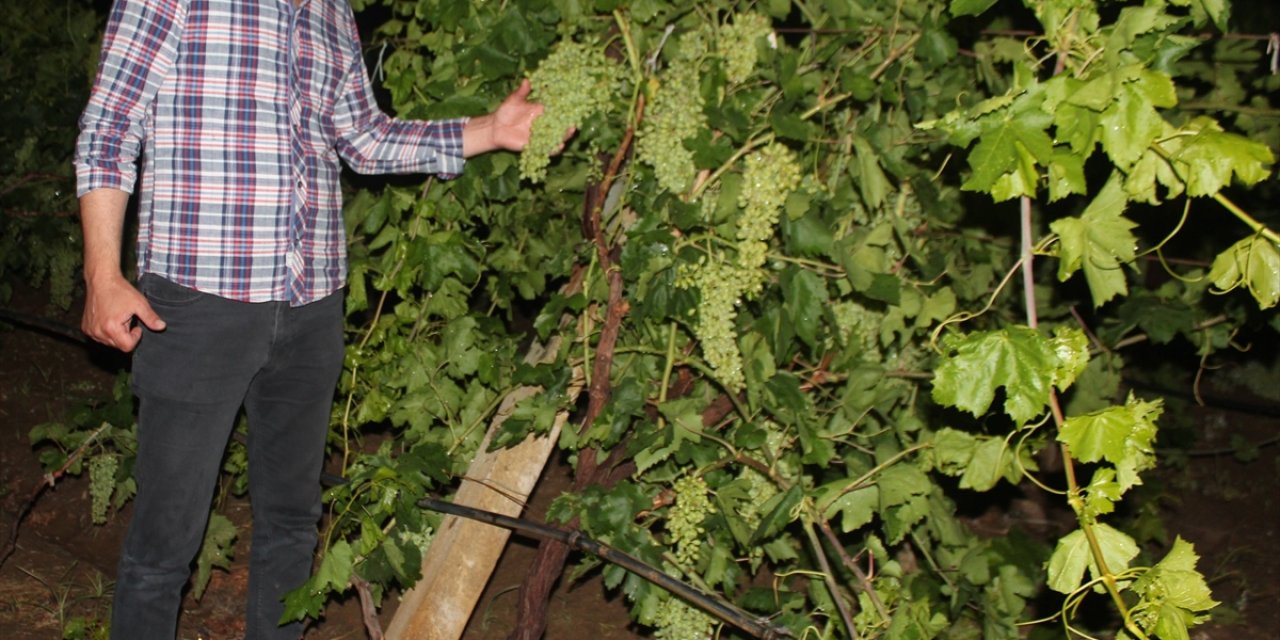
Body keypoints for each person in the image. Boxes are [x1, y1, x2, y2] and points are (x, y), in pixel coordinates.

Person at [74, 0, 548, 638]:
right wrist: (103, 276)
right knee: (165, 544)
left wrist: (489, 129)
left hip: (312, 305)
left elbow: (363, 139)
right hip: (195, 305)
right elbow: (109, 128)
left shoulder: (331, 13)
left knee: (292, 526)